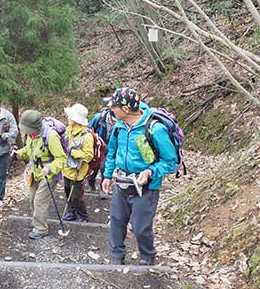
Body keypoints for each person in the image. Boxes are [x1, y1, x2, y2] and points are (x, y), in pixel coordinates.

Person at [101, 88, 178, 265]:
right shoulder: (118, 127)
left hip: (145, 186)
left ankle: (147, 256)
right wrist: (106, 176)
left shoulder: (154, 129)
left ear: (126, 109)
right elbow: (112, 152)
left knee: (140, 227)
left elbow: (170, 160)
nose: (110, 110)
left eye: (114, 106)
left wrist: (150, 172)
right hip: (121, 182)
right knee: (117, 221)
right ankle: (116, 256)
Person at [14, 109, 66, 239]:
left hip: (48, 175)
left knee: (39, 201)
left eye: (27, 128)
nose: (25, 131)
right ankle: (36, 221)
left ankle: (41, 228)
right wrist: (18, 154)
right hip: (35, 172)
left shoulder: (51, 135)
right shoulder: (32, 136)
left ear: (35, 127)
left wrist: (49, 168)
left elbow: (61, 158)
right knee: (32, 198)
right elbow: (29, 149)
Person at [62, 103, 95, 223]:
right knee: (67, 191)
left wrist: (71, 151)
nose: (68, 118)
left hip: (78, 172)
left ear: (76, 119)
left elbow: (88, 156)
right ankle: (71, 212)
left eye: (70, 116)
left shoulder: (87, 136)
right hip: (67, 169)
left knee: (76, 196)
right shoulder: (68, 130)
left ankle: (82, 214)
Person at [87, 97, 115, 194]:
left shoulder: (120, 121)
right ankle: (91, 182)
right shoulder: (98, 118)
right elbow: (89, 130)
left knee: (104, 167)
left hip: (109, 147)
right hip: (98, 146)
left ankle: (103, 188)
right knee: (94, 167)